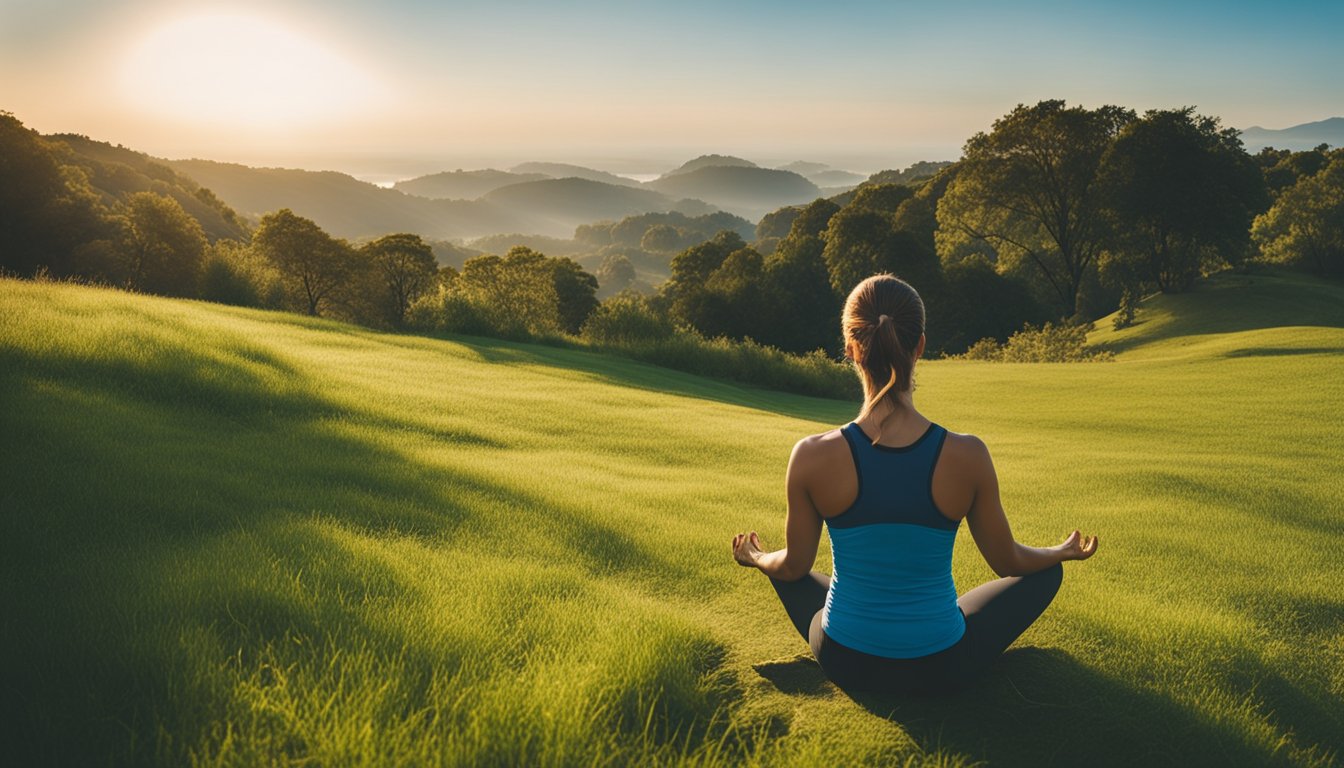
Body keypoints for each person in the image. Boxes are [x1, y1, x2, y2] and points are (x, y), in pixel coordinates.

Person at [731, 274, 1098, 695]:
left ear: (850, 348)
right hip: (941, 667)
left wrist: (757, 557)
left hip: (845, 660)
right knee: (1046, 574)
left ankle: (844, 608)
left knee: (783, 567)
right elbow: (1010, 561)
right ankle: (930, 625)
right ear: (920, 345)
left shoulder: (811, 454)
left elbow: (794, 567)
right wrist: (1059, 551)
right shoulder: (968, 454)